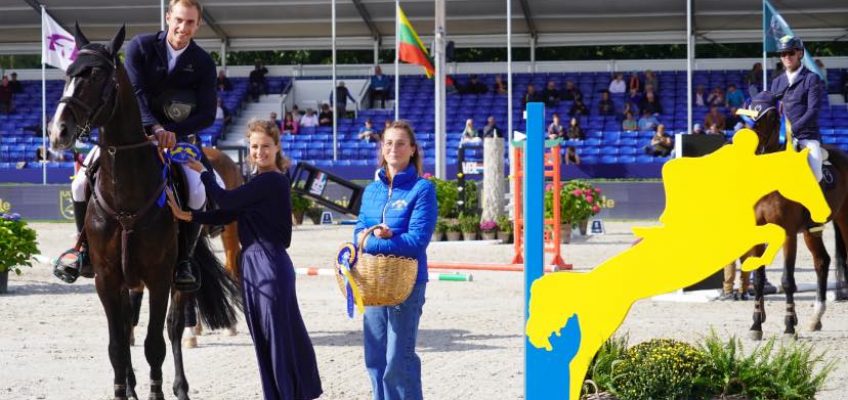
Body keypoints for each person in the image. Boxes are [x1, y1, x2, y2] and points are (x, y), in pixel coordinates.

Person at [64, 0, 220, 289]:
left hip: (177, 137)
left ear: (198, 25)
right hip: (128, 133)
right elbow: (134, 92)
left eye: (190, 23)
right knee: (78, 185)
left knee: (197, 188)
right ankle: (82, 250)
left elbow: (207, 114)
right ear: (168, 18)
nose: (182, 28)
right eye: (178, 20)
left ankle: (185, 259)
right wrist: (155, 127)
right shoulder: (140, 46)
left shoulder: (203, 62)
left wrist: (171, 132)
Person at [167, 119, 323, 400]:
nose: (259, 152)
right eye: (254, 146)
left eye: (265, 146)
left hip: (268, 262)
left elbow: (225, 201)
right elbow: (227, 215)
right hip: (252, 264)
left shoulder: (272, 180)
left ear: (277, 147)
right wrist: (189, 216)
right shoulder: (258, 182)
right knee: (266, 340)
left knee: (276, 339)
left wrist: (204, 173)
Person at [354, 120, 437, 400]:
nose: (394, 148)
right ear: (382, 147)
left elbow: (416, 241)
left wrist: (376, 241)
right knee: (374, 358)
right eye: (388, 143)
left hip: (407, 284)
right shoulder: (371, 190)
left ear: (412, 149)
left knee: (397, 360)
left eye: (401, 143)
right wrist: (376, 240)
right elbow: (357, 233)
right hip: (374, 285)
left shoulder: (422, 189)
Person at [770, 37, 824, 188]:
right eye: (783, 53)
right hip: (780, 138)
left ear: (800, 53)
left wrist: (793, 130)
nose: (786, 56)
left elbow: (813, 110)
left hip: (806, 136)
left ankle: (818, 207)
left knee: (816, 172)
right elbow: (771, 107)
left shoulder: (811, 78)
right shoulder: (777, 81)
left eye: (790, 52)